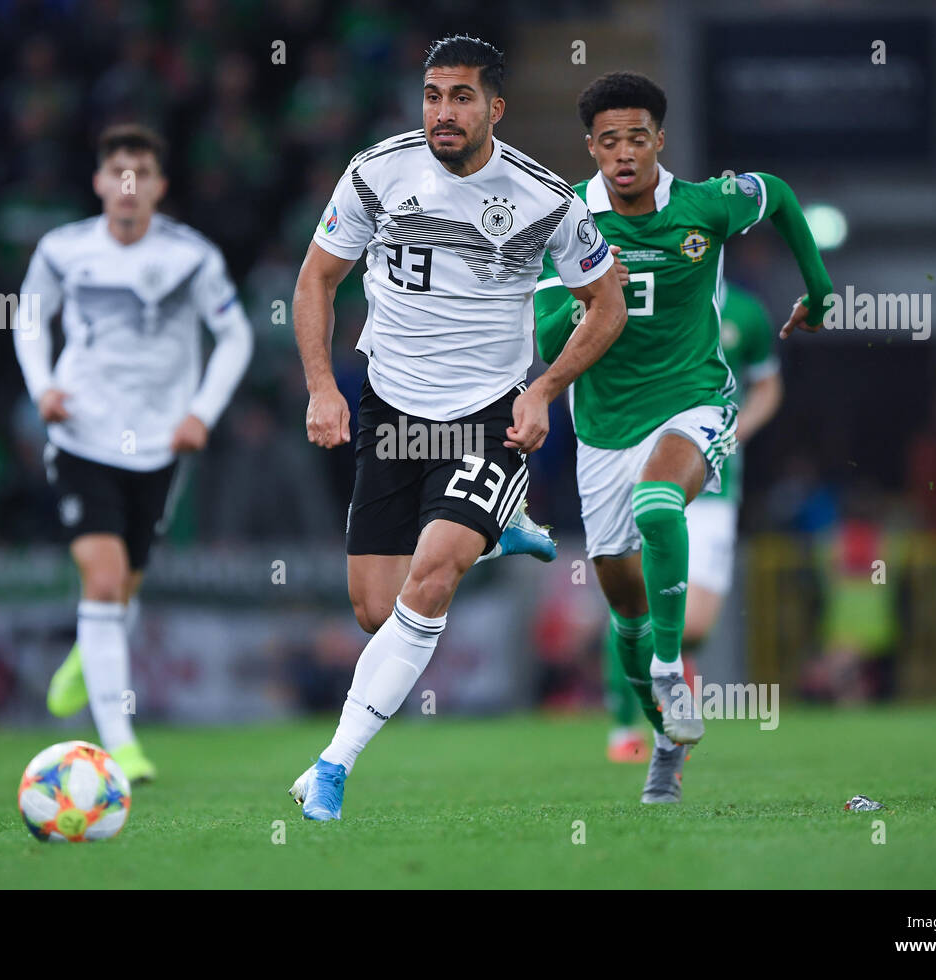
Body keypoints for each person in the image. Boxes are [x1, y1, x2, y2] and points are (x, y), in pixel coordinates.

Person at [289, 35, 627, 820]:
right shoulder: (377, 172)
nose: (444, 111)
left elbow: (605, 305)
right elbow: (318, 278)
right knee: (378, 611)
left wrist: (544, 389)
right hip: (393, 409)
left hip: (488, 416)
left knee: (433, 577)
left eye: (462, 97)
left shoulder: (546, 200)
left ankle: (334, 768)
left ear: (495, 108)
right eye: (434, 95)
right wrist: (320, 388)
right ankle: (501, 524)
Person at [533, 71, 832, 803]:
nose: (625, 153)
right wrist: (587, 308)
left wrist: (820, 291)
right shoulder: (566, 218)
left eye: (638, 138)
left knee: (660, 504)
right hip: (602, 428)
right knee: (622, 608)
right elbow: (544, 337)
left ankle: (671, 672)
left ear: (659, 140)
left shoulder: (705, 204)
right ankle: (660, 735)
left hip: (692, 401)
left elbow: (783, 197)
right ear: (592, 148)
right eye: (610, 142)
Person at [13, 124, 253, 782]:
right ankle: (120, 746)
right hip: (82, 435)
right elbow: (29, 316)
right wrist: (44, 388)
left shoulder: (191, 257)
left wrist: (201, 412)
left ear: (158, 186)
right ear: (98, 183)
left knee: (125, 588)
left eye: (141, 174)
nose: (128, 186)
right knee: (105, 579)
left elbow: (234, 337)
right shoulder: (63, 251)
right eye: (117, 172)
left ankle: (83, 661)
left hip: (159, 444)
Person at [603, 279, 781, 762]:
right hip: (645, 466)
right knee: (637, 600)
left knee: (694, 625)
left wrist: (734, 431)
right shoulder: (651, 290)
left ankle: (664, 681)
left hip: (716, 481)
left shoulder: (745, 311)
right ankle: (625, 728)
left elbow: (767, 384)